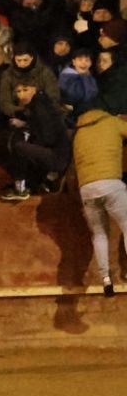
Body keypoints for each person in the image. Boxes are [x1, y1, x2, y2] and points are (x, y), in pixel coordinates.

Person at [69, 105, 127, 295]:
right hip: (111, 183)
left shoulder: (78, 133)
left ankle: (106, 279)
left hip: (87, 189)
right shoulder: (111, 122)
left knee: (100, 234)